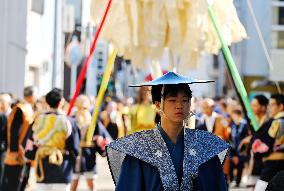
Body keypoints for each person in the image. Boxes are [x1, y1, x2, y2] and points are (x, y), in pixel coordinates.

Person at [106, 72, 229, 190]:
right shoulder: (139, 148)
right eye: (172, 100)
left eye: (185, 100)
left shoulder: (204, 145)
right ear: (158, 104)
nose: (179, 105)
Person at [24, 88, 80, 191]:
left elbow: (28, 144)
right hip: (62, 166)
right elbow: (75, 148)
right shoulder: (68, 121)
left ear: (47, 102)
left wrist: (32, 154)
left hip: (42, 168)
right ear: (61, 102)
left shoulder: (38, 120)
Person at [71, 95, 112, 191]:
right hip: (75, 153)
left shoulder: (93, 121)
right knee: (74, 180)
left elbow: (104, 136)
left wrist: (100, 140)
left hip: (88, 153)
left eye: (84, 107)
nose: (82, 109)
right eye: (80, 106)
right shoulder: (72, 119)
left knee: (90, 180)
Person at [2, 86, 36, 191]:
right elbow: (14, 132)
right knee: (12, 185)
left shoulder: (29, 109)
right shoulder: (21, 109)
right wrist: (15, 151)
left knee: (20, 185)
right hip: (17, 156)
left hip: (24, 155)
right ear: (32, 96)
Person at [253, 94, 284, 191]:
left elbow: (264, 143)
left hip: (273, 164)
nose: (269, 108)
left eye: (272, 105)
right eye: (269, 105)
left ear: (281, 106)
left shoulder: (276, 122)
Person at [229, 108, 250, 187]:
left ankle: (238, 182)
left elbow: (248, 138)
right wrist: (234, 155)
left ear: (239, 115)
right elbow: (230, 139)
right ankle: (230, 180)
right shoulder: (233, 125)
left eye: (235, 115)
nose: (233, 117)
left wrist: (242, 151)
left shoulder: (245, 125)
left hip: (243, 151)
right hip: (234, 150)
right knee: (231, 165)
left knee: (240, 166)